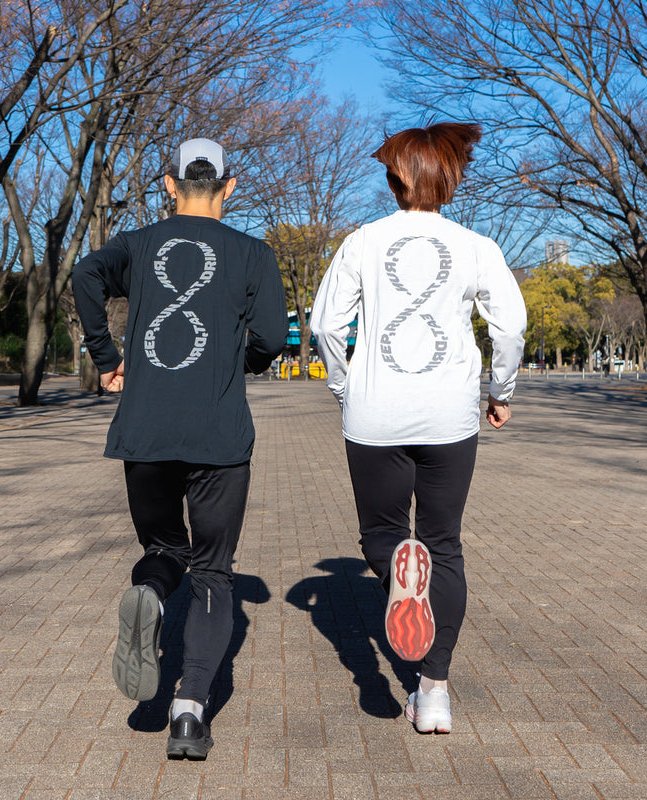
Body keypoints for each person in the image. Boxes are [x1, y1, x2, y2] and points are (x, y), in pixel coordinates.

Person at [72, 138, 288, 759]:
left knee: (164, 548)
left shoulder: (139, 245)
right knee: (214, 572)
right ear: (231, 185)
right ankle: (189, 710)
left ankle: (150, 594)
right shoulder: (252, 253)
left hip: (145, 430)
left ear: (169, 184)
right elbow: (271, 336)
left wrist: (106, 356)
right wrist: (235, 359)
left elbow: (85, 273)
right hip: (218, 436)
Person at [310, 122, 526, 735]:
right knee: (445, 543)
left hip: (375, 413)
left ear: (392, 180)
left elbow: (328, 324)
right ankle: (433, 692)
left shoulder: (361, 241)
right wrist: (500, 392)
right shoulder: (477, 245)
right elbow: (509, 327)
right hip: (449, 415)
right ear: (452, 179)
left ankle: (396, 571)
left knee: (380, 537)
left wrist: (344, 385)